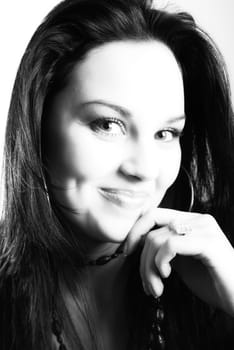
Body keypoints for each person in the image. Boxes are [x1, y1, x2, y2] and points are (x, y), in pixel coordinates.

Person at [1, 0, 234, 349]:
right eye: (109, 125)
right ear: (39, 127)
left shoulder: (218, 268)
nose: (143, 169)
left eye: (166, 133)